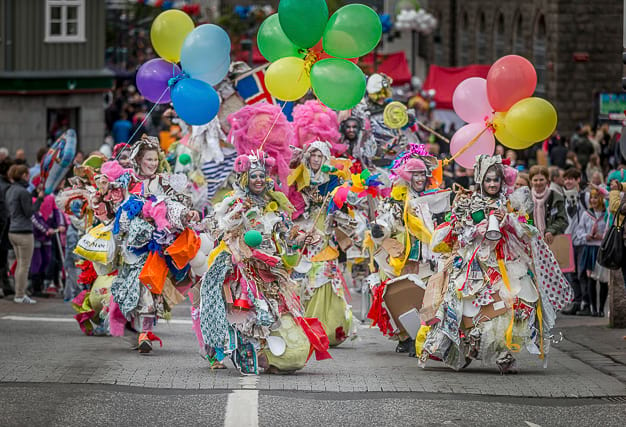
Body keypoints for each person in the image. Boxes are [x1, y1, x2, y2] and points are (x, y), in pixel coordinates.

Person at [418, 155, 572, 373]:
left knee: (513, 303)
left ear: (502, 181)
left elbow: (529, 232)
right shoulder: (467, 201)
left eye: (496, 180)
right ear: (481, 180)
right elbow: (456, 233)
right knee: (468, 305)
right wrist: (472, 230)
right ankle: (470, 344)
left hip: (504, 262)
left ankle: (504, 354)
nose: (492, 184)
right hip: (474, 262)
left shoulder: (511, 203)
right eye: (488, 180)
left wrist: (509, 220)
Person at [369, 144, 451, 354]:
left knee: (428, 296)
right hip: (405, 256)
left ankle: (423, 336)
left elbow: (445, 222)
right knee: (403, 295)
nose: (420, 179)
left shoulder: (436, 198)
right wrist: (379, 229)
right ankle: (407, 335)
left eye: (423, 174)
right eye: (415, 174)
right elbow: (386, 222)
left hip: (430, 255)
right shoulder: (397, 200)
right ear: (407, 176)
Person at [6, 164, 36, 304]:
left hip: (13, 230)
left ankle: (19, 293)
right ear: (24, 175)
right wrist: (40, 199)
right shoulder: (23, 192)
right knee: (24, 265)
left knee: (20, 264)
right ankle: (20, 294)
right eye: (27, 174)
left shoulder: (10, 190)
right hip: (24, 232)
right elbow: (29, 212)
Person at [577, 189, 609, 316]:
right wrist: (586, 236)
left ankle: (601, 309)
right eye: (592, 197)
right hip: (590, 249)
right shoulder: (586, 214)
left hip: (601, 249)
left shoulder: (606, 215)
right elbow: (580, 230)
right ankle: (593, 309)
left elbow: (609, 228)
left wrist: (603, 236)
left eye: (596, 197)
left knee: (603, 279)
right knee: (590, 278)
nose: (593, 200)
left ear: (601, 199)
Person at [561, 168, 587, 315]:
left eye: (571, 178)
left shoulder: (585, 196)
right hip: (568, 239)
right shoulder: (563, 198)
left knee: (582, 272)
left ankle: (586, 303)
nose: (568, 181)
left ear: (578, 180)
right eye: (566, 179)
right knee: (572, 273)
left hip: (583, 240)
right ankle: (576, 302)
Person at [529, 165, 567, 244]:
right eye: (535, 180)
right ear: (531, 181)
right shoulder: (526, 198)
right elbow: (522, 220)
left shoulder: (556, 197)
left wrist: (551, 231)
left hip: (552, 241)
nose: (538, 183)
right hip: (532, 242)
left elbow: (562, 219)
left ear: (547, 180)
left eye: (541, 180)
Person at [0, 158, 14, 298]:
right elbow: (5, 210)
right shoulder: (5, 186)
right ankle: (5, 286)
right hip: (3, 226)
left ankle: (6, 286)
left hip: (3, 224)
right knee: (2, 257)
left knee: (3, 258)